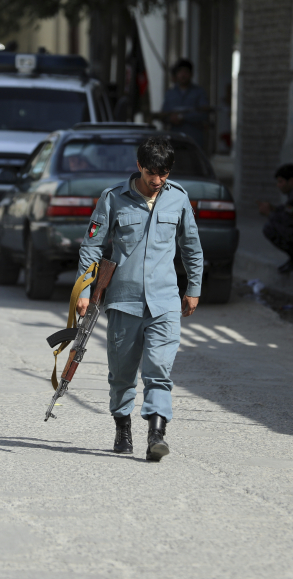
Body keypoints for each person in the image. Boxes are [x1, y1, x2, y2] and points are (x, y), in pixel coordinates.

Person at [75, 136, 203, 462]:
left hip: (165, 301)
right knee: (122, 373)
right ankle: (122, 426)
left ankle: (156, 433)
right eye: (151, 173)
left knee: (159, 369)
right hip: (123, 301)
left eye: (164, 174)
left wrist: (193, 288)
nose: (157, 180)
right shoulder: (113, 198)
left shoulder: (178, 198)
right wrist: (84, 291)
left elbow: (191, 247)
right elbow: (92, 246)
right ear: (139, 166)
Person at [160, 59, 209, 150]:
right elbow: (163, 115)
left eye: (186, 72)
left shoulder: (199, 92)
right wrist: (170, 118)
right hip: (174, 140)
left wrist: (182, 117)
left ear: (191, 74)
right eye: (180, 72)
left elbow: (204, 113)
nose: (183, 75)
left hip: (194, 140)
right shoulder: (170, 93)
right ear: (176, 74)